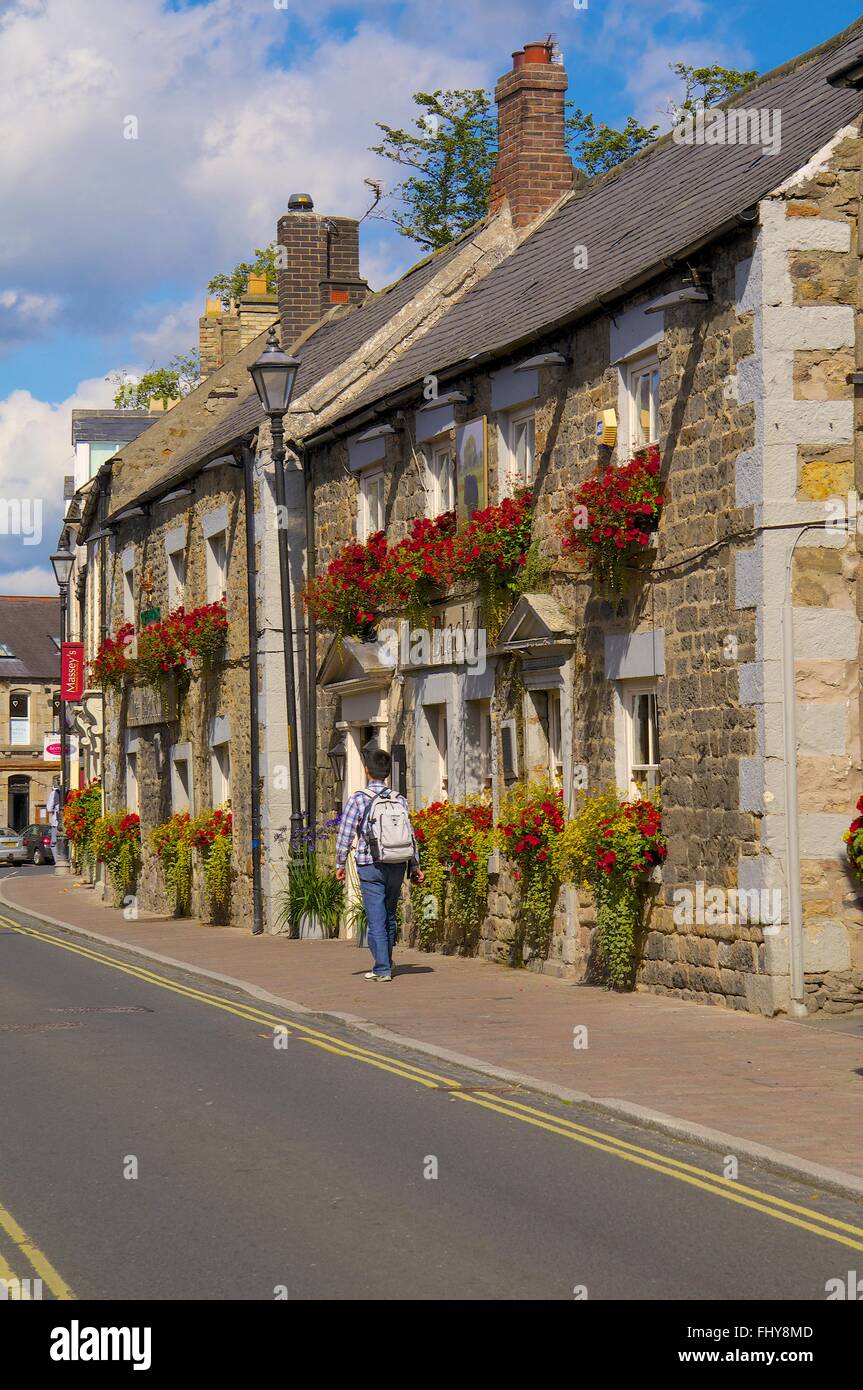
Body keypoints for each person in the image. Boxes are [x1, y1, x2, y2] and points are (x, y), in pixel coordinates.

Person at [335, 745, 424, 981]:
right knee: (389, 914)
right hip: (397, 863)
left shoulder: (358, 799)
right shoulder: (399, 800)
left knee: (376, 917)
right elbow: (410, 835)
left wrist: (340, 863)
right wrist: (415, 866)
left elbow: (345, 833)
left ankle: (382, 968)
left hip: (369, 863)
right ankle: (386, 960)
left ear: (367, 771)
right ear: (386, 774)